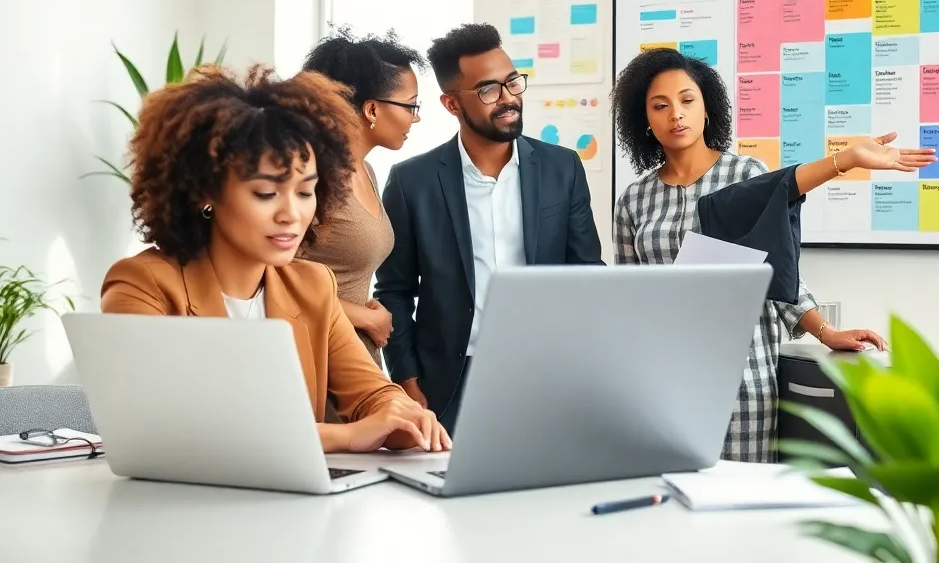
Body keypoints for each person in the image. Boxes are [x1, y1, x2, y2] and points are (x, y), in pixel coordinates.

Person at [101, 64, 450, 454]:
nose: (291, 214)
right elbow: (167, 425)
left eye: (305, 192)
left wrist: (402, 418)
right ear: (205, 193)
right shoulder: (141, 284)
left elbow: (371, 393)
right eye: (266, 193)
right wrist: (347, 436)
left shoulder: (312, 285)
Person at [611, 48, 936, 463]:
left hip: (741, 377)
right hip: (660, 382)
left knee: (741, 507)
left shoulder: (744, 175)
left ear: (707, 107)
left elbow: (778, 273)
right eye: (661, 106)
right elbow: (627, 297)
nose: (676, 114)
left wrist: (826, 331)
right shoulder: (634, 199)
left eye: (687, 100)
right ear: (646, 120)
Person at [374, 22, 603, 432]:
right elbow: (394, 289)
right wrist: (406, 378)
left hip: (547, 373)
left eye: (513, 82)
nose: (509, 99)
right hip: (450, 381)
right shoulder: (413, 182)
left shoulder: (561, 168)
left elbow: (587, 273)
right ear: (451, 104)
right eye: (488, 90)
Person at [297, 28, 426, 374]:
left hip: (356, 360)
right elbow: (270, 277)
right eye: (411, 105)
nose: (416, 117)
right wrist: (364, 318)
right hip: (313, 359)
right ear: (371, 109)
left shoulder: (366, 170)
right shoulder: (311, 177)